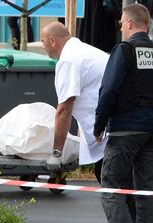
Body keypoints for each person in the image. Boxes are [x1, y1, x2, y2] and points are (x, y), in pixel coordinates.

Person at [93, 3, 153, 223]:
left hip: (126, 129)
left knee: (111, 185)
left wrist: (99, 125)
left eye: (121, 23)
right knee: (144, 192)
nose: (120, 27)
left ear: (129, 23)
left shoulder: (124, 50)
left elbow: (109, 90)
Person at [41, 22, 108, 183]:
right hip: (120, 125)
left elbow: (64, 110)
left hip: (107, 133)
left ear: (52, 41)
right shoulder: (86, 51)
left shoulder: (68, 61)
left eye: (42, 42)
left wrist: (57, 153)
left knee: (111, 187)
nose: (42, 46)